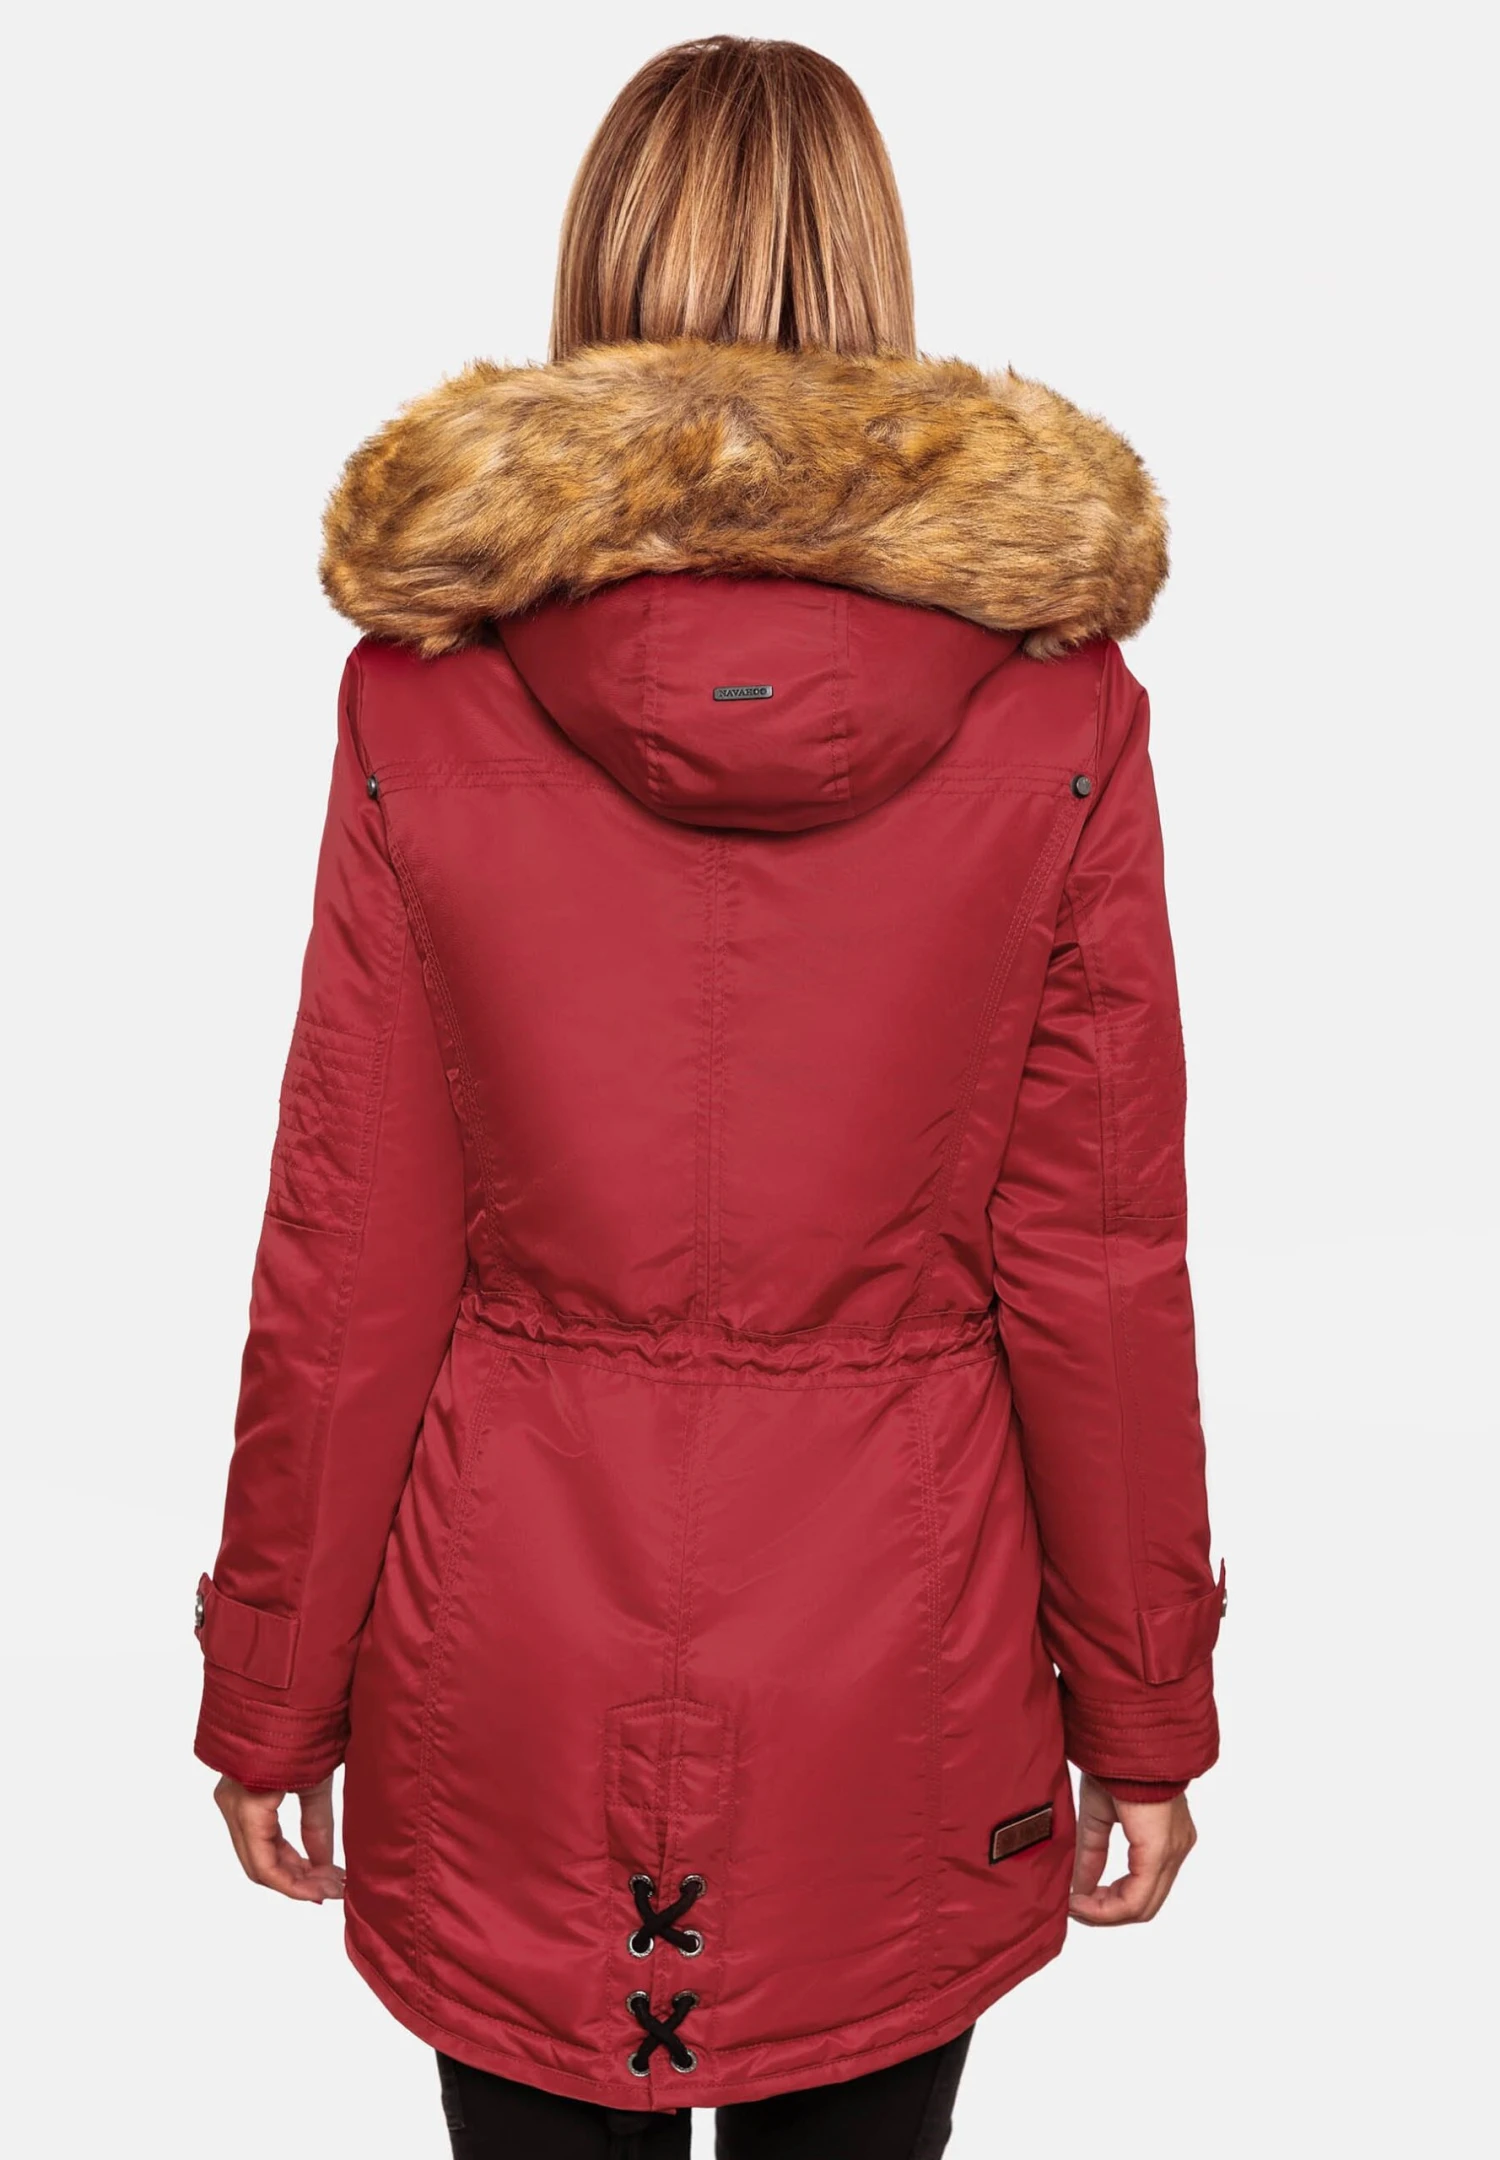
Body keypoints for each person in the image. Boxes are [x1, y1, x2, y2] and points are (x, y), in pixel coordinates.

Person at [196, 35, 1223, 2159]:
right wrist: (1145, 1703)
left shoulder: (426, 688)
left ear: (593, 269)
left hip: (511, 1644)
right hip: (900, 1651)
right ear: (876, 275)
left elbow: (349, 1238)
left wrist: (271, 1680)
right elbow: (1100, 1263)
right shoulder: (1059, 709)